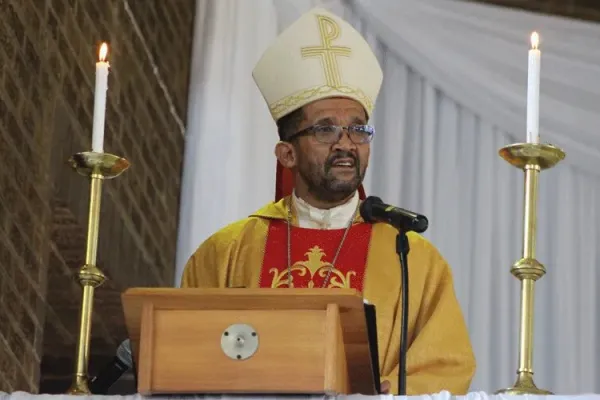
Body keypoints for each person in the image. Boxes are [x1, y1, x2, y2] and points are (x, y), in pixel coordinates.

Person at [180, 7, 476, 395]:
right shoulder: (224, 254)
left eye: (358, 129)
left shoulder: (412, 259)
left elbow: (446, 368)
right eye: (325, 129)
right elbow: (185, 357)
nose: (345, 143)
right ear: (287, 154)